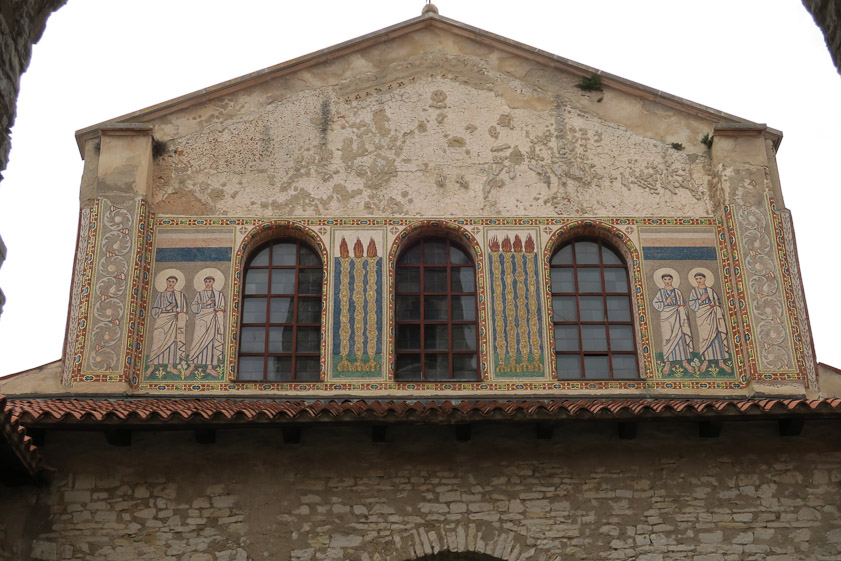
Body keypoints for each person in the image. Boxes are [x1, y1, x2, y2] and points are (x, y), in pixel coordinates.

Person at [689, 272, 731, 372]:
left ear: (705, 279)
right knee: (705, 337)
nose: (699, 280)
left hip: (713, 315)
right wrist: (701, 300)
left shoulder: (710, 291)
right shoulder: (694, 291)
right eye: (696, 278)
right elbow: (692, 304)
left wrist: (714, 305)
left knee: (717, 336)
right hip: (702, 316)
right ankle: (705, 361)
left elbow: (718, 302)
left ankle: (721, 362)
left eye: (700, 278)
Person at [652, 273, 693, 375]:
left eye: (669, 279)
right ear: (662, 281)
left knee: (681, 338)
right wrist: (667, 301)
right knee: (667, 339)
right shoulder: (660, 292)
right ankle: (667, 363)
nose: (667, 281)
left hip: (678, 316)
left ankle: (685, 362)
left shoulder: (677, 292)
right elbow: (656, 304)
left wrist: (681, 306)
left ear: (672, 280)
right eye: (665, 279)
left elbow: (683, 303)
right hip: (666, 317)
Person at [148, 276, 188, 364]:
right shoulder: (160, 295)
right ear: (166, 282)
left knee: (172, 342)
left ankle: (170, 366)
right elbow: (154, 310)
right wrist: (165, 309)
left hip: (173, 320)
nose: (170, 283)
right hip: (161, 319)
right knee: (157, 341)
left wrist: (179, 313)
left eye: (173, 282)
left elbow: (184, 310)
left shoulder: (179, 295)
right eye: (169, 281)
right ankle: (152, 365)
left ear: (176, 283)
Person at [189, 275, 226, 367]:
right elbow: (194, 307)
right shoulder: (200, 294)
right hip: (201, 318)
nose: (208, 283)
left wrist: (218, 309)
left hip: (212, 317)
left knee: (211, 341)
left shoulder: (218, 294)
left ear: (213, 282)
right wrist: (206, 303)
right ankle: (192, 365)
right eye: (206, 281)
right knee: (197, 340)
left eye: (210, 281)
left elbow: (222, 307)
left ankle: (210, 367)